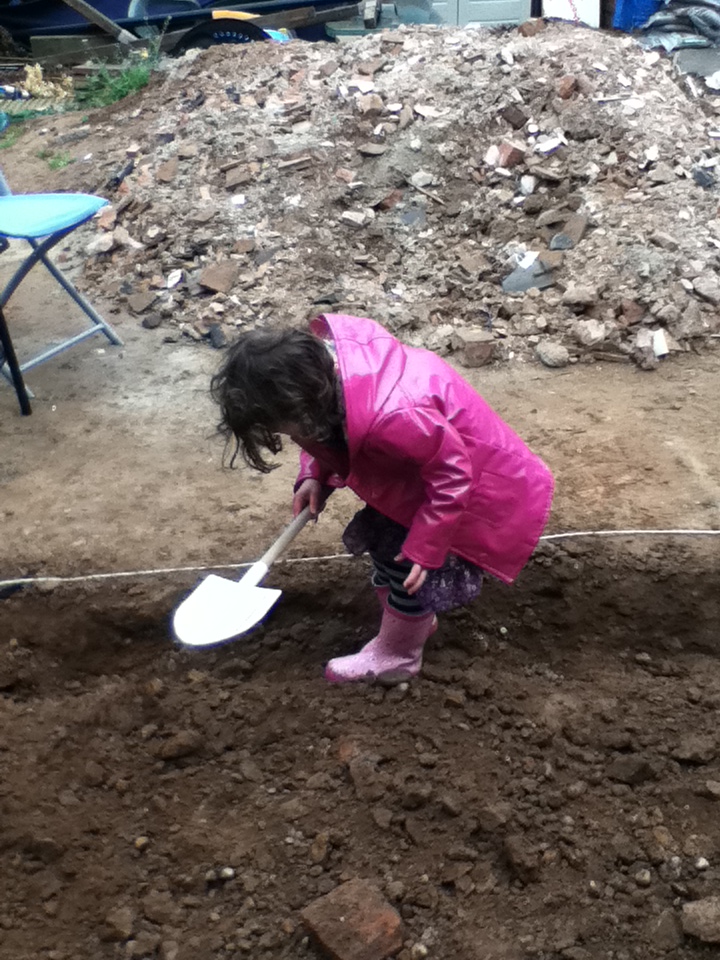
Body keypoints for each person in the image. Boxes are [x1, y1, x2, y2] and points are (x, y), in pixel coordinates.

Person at [211, 313, 554, 684]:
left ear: (303, 405)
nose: (279, 433)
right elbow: (326, 438)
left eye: (280, 426)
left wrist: (427, 545)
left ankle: (399, 654)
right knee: (390, 558)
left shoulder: (395, 416)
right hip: (419, 483)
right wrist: (314, 475)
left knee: (408, 570)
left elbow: (454, 476)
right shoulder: (331, 384)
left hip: (476, 492)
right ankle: (411, 625)